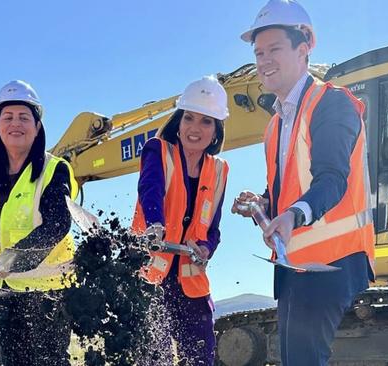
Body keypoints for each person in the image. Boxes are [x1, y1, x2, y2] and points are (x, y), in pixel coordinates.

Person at [231, 1, 375, 364]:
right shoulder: (275, 124)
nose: (264, 61)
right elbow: (289, 187)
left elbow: (332, 178)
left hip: (331, 262)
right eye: (259, 52)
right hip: (296, 263)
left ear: (305, 46)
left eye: (274, 49)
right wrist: (263, 204)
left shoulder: (332, 104)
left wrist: (293, 216)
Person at [0, 80, 78, 366]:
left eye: (24, 117)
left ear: (37, 127)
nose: (16, 123)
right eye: (8, 117)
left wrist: (15, 258)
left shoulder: (54, 169)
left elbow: (58, 223)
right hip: (3, 292)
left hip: (49, 292)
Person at [132, 76, 229, 365]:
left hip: (192, 284)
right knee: (153, 357)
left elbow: (213, 228)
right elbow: (150, 188)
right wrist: (155, 224)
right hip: (150, 279)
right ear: (179, 121)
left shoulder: (220, 171)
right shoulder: (157, 150)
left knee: (200, 357)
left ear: (216, 131)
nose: (195, 128)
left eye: (206, 121)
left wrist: (206, 248)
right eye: (189, 118)